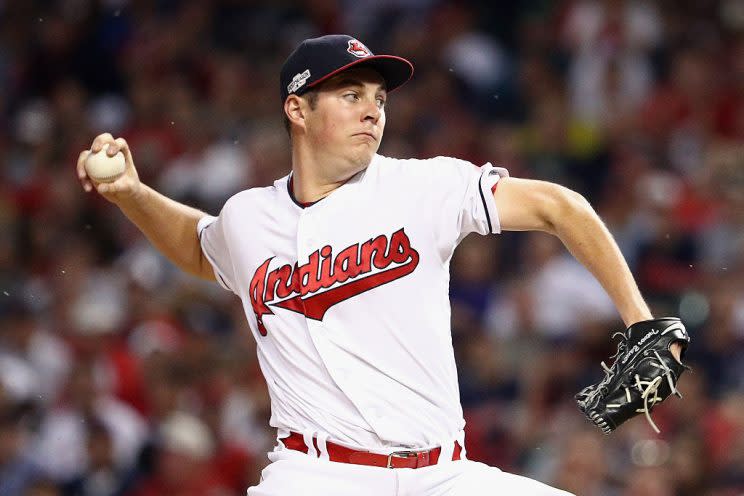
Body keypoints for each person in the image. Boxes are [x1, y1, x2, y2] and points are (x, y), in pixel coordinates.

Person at [76, 34, 684, 496]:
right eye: (350, 95)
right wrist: (132, 193)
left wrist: (639, 319)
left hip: (443, 476)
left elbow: (559, 206)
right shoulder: (248, 217)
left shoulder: (423, 186)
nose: (372, 110)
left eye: (378, 98)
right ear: (298, 110)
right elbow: (199, 247)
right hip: (315, 475)